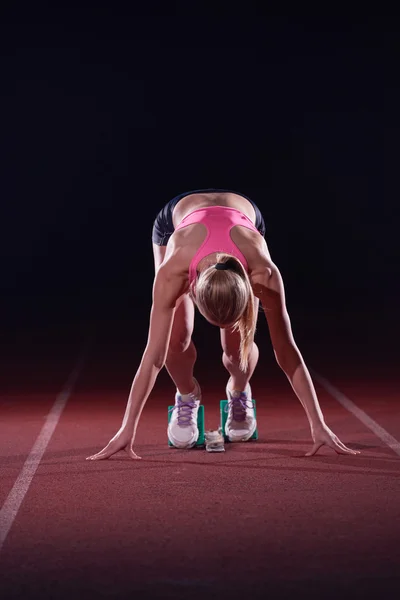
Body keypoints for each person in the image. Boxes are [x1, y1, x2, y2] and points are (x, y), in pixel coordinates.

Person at [87, 189, 359, 461]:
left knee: (235, 346)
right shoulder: (173, 272)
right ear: (191, 289)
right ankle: (187, 395)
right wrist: (127, 428)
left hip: (242, 219)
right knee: (174, 339)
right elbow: (153, 357)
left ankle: (238, 390)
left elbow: (287, 353)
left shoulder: (263, 272)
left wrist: (318, 423)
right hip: (175, 222)